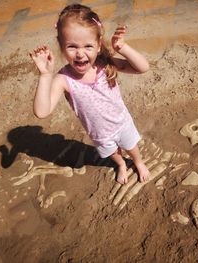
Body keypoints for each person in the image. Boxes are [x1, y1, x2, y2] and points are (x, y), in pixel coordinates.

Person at [29, 4, 150, 184]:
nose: (80, 53)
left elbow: (143, 68)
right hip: (100, 134)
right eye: (71, 46)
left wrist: (122, 47)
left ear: (99, 45)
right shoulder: (63, 79)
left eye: (88, 46)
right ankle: (121, 165)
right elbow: (41, 111)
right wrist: (46, 75)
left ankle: (138, 162)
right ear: (61, 46)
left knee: (132, 147)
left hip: (122, 122)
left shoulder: (104, 63)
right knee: (113, 154)